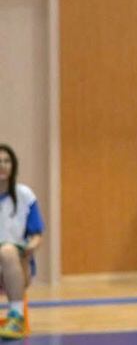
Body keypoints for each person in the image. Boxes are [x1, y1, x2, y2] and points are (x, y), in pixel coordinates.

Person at [0, 145, 43, 341]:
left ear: (13, 166)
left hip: (17, 263)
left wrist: (32, 246)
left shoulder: (25, 195)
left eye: (7, 161)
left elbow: (36, 235)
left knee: (7, 251)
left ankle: (16, 316)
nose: (2, 165)